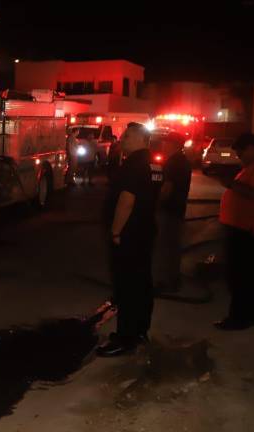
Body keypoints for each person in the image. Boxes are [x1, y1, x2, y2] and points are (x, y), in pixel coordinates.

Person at [97, 123, 164, 357]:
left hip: (128, 235)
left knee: (126, 286)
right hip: (144, 233)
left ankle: (125, 339)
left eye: (126, 135)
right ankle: (139, 331)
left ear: (138, 138)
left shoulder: (133, 165)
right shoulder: (155, 163)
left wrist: (116, 231)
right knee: (142, 283)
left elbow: (127, 200)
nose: (122, 139)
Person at [214, 133, 254, 330]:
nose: (238, 154)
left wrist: (231, 183)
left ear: (252, 148)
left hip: (245, 231)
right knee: (243, 275)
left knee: (240, 276)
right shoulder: (248, 168)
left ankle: (239, 318)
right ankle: (247, 314)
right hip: (239, 228)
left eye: (241, 150)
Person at [154, 135, 192, 293]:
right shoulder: (183, 161)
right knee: (173, 245)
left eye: (166, 142)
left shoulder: (173, 163)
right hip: (178, 208)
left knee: (165, 246)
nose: (163, 145)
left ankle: (165, 281)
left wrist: (155, 205)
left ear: (173, 144)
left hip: (169, 210)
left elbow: (167, 189)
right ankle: (174, 279)